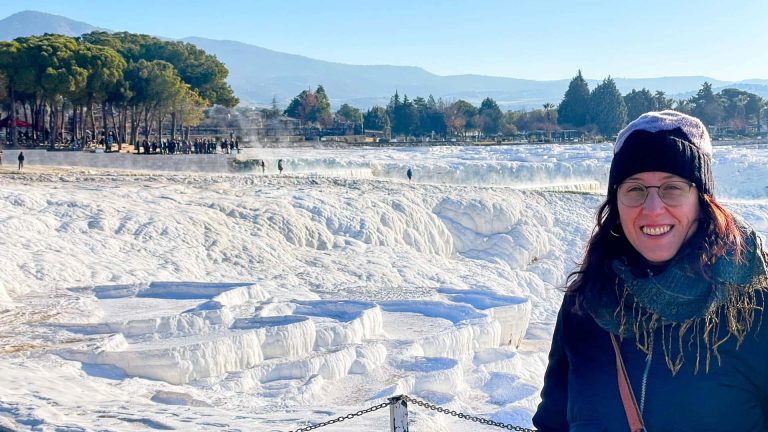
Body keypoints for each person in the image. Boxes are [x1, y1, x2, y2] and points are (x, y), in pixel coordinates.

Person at [533, 110, 768, 431]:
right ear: (616, 202)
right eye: (635, 189)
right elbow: (554, 421)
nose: (653, 209)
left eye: (672, 188)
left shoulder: (753, 307)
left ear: (702, 201)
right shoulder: (586, 304)